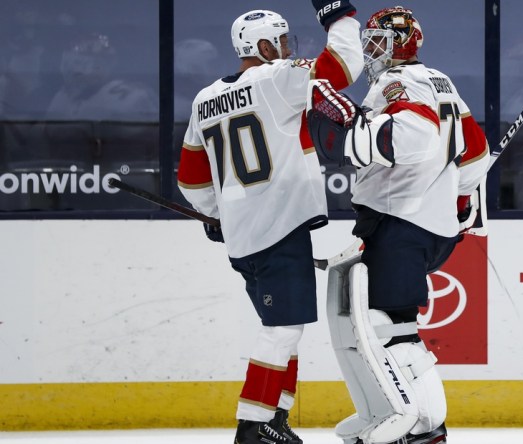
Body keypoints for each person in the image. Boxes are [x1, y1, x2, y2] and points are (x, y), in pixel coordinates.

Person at [176, 2, 362, 443]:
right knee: (281, 330)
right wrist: (340, 16)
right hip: (279, 227)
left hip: (243, 239)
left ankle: (276, 418)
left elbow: (191, 179)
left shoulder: (204, 99)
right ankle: (253, 424)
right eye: (280, 41)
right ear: (262, 46)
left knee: (284, 329)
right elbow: (343, 64)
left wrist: (217, 214)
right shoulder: (276, 78)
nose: (286, 49)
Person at [307, 6, 489, 444]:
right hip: (425, 223)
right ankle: (409, 420)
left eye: (378, 41)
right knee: (389, 325)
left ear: (401, 43)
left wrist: (354, 130)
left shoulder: (397, 81)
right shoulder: (441, 81)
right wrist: (457, 200)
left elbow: (411, 136)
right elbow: (477, 153)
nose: (370, 49)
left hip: (400, 222)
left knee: (391, 328)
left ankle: (426, 425)